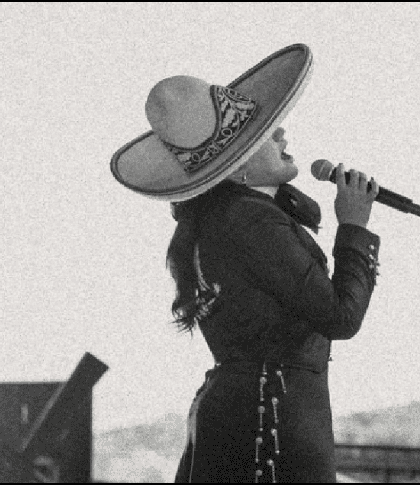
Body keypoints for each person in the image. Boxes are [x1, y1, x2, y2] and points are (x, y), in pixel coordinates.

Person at [111, 44, 383, 483]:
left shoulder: (223, 219)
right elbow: (340, 315)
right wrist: (354, 228)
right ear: (235, 168)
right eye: (265, 132)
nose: (281, 135)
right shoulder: (249, 218)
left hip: (245, 416)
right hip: (271, 427)